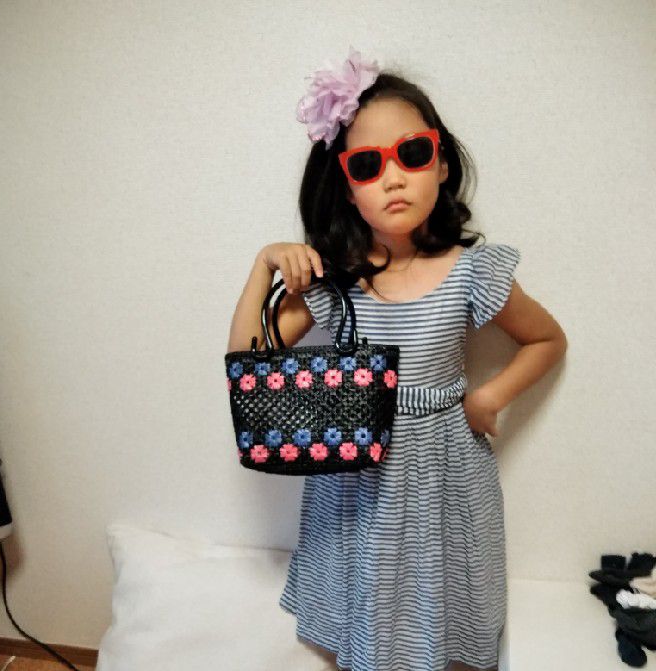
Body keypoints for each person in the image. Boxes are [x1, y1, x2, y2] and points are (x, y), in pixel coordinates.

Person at [226, 46, 568, 671]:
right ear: (346, 187)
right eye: (367, 164)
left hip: (444, 474)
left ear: (441, 162)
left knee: (440, 590)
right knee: (367, 592)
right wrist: (262, 268)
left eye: (412, 153)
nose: (393, 178)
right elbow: (248, 366)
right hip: (357, 477)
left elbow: (547, 339)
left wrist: (491, 395)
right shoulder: (334, 281)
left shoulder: (473, 272)